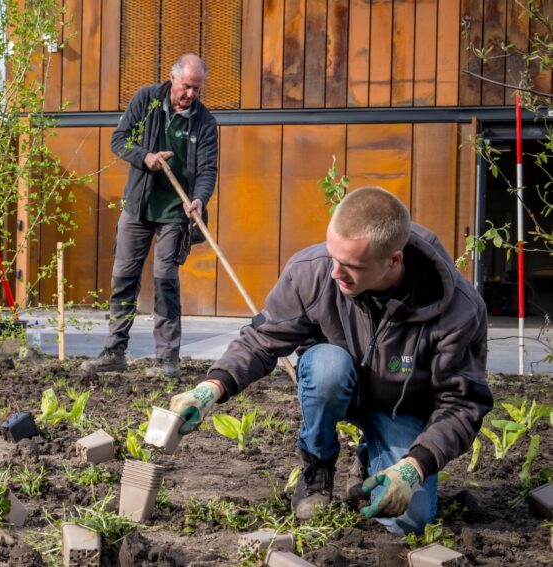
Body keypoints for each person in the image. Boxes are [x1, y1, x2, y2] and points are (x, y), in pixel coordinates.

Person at [167, 187, 492, 535]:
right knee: (326, 367)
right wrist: (209, 388)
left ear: (393, 260)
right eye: (333, 256)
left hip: (403, 408)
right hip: (340, 385)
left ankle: (372, 457)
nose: (336, 273)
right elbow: (263, 340)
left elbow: (462, 405)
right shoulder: (315, 271)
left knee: (408, 518)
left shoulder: (457, 310)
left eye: (351, 266)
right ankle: (318, 466)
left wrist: (415, 466)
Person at [81, 53, 218, 378]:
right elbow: (120, 140)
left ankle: (167, 359)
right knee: (124, 278)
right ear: (172, 78)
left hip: (175, 211)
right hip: (138, 206)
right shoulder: (147, 100)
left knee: (164, 280)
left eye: (197, 89)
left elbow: (208, 170)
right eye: (186, 87)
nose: (191, 95)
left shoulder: (205, 122)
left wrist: (199, 200)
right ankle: (114, 351)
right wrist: (146, 157)